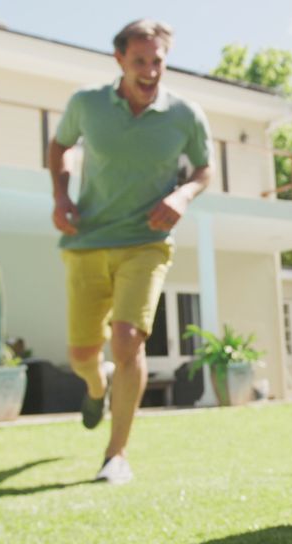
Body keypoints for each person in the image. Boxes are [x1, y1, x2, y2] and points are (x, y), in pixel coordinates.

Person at [48, 19, 214, 485]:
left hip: (147, 241)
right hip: (88, 240)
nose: (149, 71)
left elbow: (204, 168)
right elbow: (59, 146)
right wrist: (61, 196)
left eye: (157, 61)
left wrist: (182, 196)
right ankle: (95, 383)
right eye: (139, 61)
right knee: (82, 353)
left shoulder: (185, 114)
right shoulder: (87, 104)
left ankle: (116, 454)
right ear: (119, 59)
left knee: (127, 340)